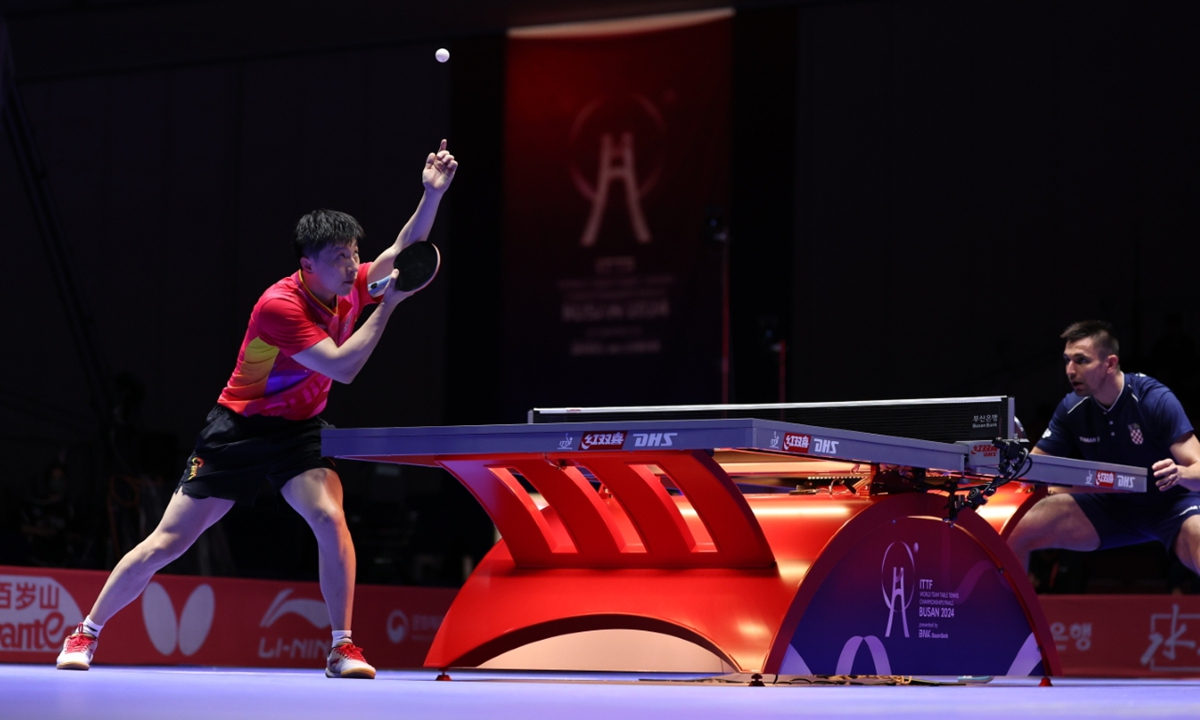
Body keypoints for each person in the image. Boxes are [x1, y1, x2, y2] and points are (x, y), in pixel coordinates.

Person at [55, 140, 458, 677]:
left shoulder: (350, 286)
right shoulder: (279, 306)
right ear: (306, 265)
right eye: (340, 258)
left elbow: (403, 254)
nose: (353, 264)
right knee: (167, 543)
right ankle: (85, 632)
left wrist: (430, 195)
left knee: (329, 517)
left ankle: (342, 646)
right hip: (238, 431)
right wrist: (389, 306)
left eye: (355, 254)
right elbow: (342, 366)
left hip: (300, 434)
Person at [1007, 320, 1200, 580]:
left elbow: (1197, 467)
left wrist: (1181, 474)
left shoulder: (1153, 399)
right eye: (1067, 360)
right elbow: (1033, 470)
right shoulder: (1071, 409)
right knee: (1016, 526)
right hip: (1111, 507)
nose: (1070, 370)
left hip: (1170, 507)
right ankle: (1009, 620)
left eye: (1081, 360)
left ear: (1109, 363)